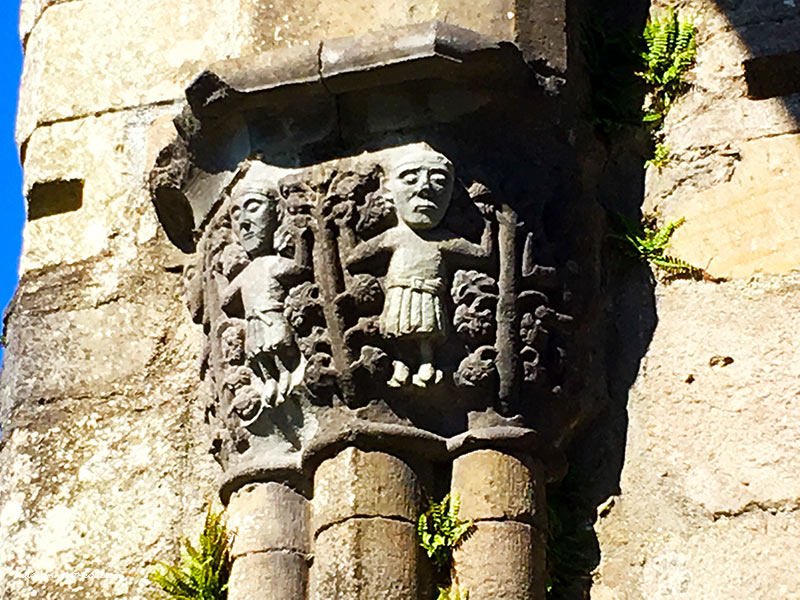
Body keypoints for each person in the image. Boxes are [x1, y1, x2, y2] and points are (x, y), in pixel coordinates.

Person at [347, 145, 492, 387]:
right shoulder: (394, 237)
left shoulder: (445, 240)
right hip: (400, 290)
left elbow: (481, 255)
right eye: (410, 178)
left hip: (428, 291)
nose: (424, 188)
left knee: (426, 330)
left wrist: (490, 222)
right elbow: (354, 258)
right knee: (399, 330)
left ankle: (427, 364)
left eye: (438, 180)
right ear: (388, 190)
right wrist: (346, 222)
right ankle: (401, 365)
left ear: (454, 193)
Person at [222, 160, 308, 407]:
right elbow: (227, 301)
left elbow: (300, 269)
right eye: (236, 214)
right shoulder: (248, 271)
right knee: (259, 355)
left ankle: (285, 376)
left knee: (277, 348)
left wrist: (302, 239)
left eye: (253, 207)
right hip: (254, 322)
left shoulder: (272, 263)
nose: (244, 222)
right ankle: (269, 381)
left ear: (278, 213)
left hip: (272, 316)